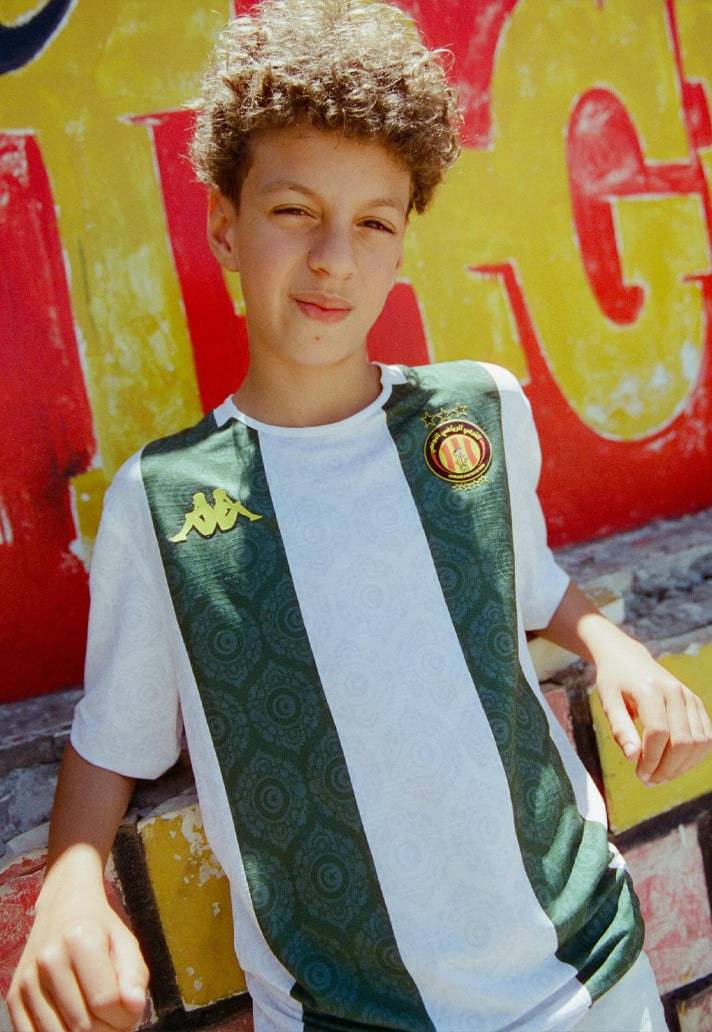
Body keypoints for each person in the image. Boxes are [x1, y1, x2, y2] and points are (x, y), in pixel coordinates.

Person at [7, 1, 712, 1030]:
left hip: (588, 971)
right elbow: (113, 739)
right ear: (225, 226)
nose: (335, 256)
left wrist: (616, 649)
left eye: (374, 222)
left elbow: (527, 584)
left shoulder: (476, 413)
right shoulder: (166, 503)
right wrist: (71, 888)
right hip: (345, 1012)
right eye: (295, 211)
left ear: (401, 244)